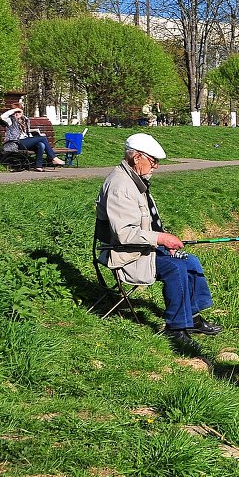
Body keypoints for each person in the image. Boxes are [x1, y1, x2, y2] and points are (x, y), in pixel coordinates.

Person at [95, 133, 221, 348]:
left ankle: (192, 317)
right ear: (137, 158)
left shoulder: (135, 179)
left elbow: (148, 223)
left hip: (143, 248)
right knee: (175, 268)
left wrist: (163, 240)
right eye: (153, 161)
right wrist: (161, 238)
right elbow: (124, 234)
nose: (156, 166)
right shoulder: (121, 186)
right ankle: (176, 329)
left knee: (190, 262)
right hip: (125, 253)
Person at [0, 98, 63, 171]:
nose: (17, 114)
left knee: (41, 144)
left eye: (19, 112)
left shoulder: (25, 120)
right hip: (15, 143)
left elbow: (26, 133)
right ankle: (53, 158)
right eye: (15, 112)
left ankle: (38, 166)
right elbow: (2, 117)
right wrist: (14, 111)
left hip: (25, 141)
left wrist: (35, 133)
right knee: (42, 138)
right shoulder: (10, 120)